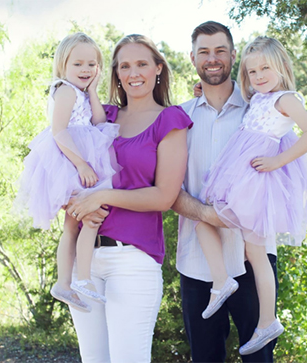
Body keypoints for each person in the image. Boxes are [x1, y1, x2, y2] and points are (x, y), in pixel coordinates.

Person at [66, 34, 193, 363]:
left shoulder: (170, 120)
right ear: (116, 74)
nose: (133, 72)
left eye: (141, 64)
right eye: (125, 66)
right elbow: (61, 165)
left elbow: (164, 196)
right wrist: (73, 202)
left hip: (132, 261)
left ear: (158, 70)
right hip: (84, 259)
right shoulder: (100, 115)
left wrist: (103, 196)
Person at [193, 35, 307, 355]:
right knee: (253, 252)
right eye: (252, 72)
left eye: (265, 68)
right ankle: (262, 316)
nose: (259, 76)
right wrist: (199, 91)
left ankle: (233, 292)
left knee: (210, 227)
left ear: (281, 67)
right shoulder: (259, 99)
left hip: (254, 182)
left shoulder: (286, 99)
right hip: (240, 177)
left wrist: (278, 160)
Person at [172, 21, 276, 363]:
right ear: (192, 58)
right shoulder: (178, 118)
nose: (212, 58)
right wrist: (205, 213)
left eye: (220, 50)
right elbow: (167, 188)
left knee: (260, 358)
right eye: (204, 51)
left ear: (233, 55)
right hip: (197, 264)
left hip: (252, 258)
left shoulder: (260, 110)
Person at [15, 32, 120, 312]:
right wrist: (81, 164)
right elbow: (58, 131)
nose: (85, 70)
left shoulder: (82, 93)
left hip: (81, 155)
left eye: (92, 64)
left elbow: (99, 122)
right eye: (78, 64)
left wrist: (95, 91)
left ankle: (65, 283)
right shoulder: (64, 90)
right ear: (63, 65)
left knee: (75, 224)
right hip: (68, 160)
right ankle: (82, 279)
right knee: (88, 219)